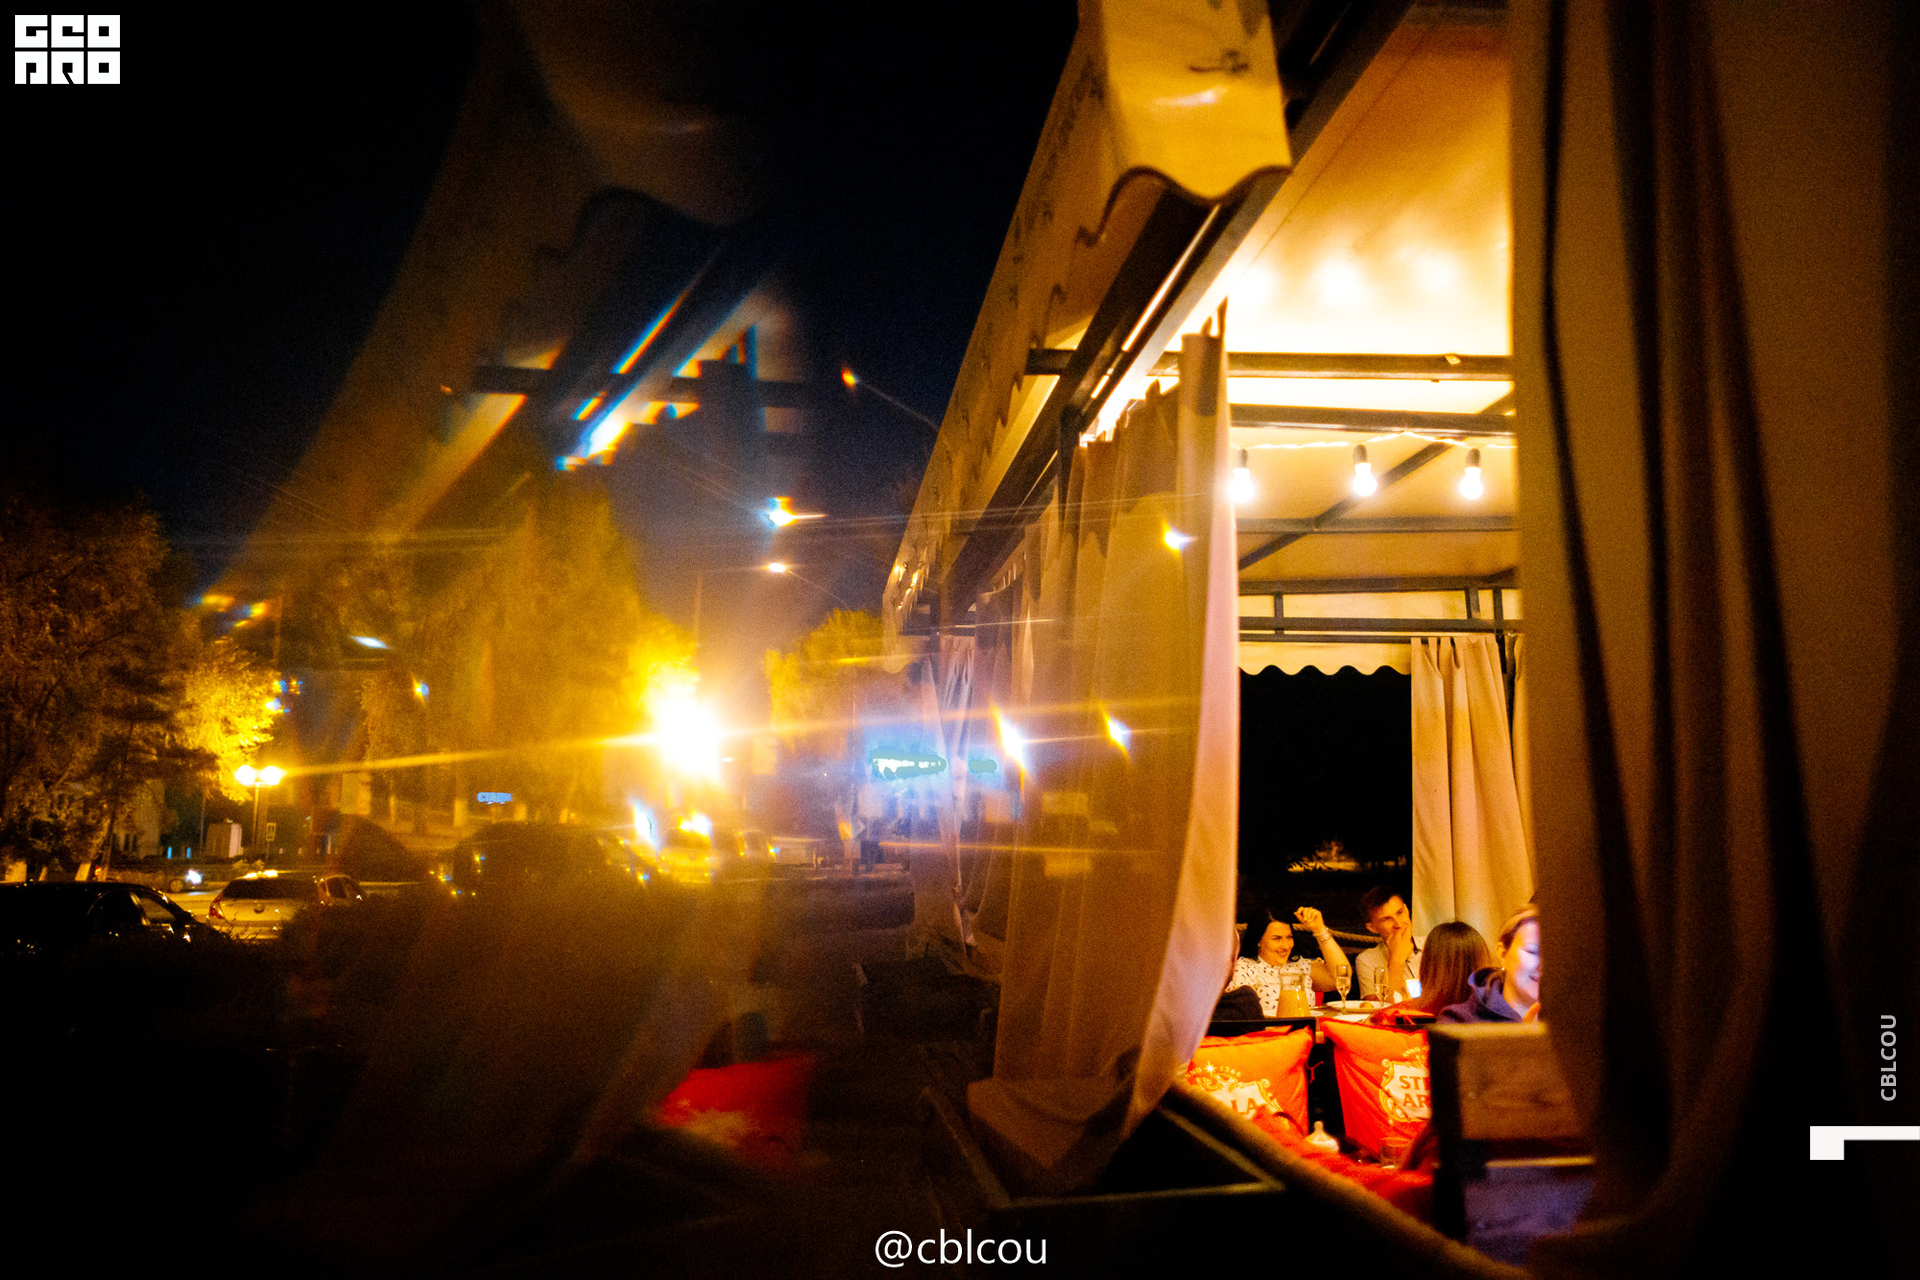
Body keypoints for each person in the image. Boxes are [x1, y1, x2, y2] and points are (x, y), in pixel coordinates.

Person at [1230, 908, 1350, 1016]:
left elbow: (1341, 976)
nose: (1286, 946)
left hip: (1306, 1030)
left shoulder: (1299, 965)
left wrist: (1320, 930)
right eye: (1277, 939)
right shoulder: (1245, 969)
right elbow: (1243, 1015)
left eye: (1289, 937)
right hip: (1269, 1032)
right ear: (1258, 941)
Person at [1369, 921, 1491, 1023]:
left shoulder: (1403, 1017)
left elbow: (1374, 1022)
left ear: (1428, 965)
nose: (1398, 924)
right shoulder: (1496, 1014)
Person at [1438, 905, 1541, 1023]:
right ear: (1503, 954)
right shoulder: (1458, 1021)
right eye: (1533, 951)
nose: (1543, 965)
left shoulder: (1559, 1019)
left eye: (1553, 955)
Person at [1353, 887, 1426, 1002]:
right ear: (1372, 928)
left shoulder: (1433, 945)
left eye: (1400, 913)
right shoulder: (1366, 960)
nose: (1398, 924)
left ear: (1407, 910)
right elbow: (1380, 1007)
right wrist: (1396, 959)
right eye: (1386, 919)